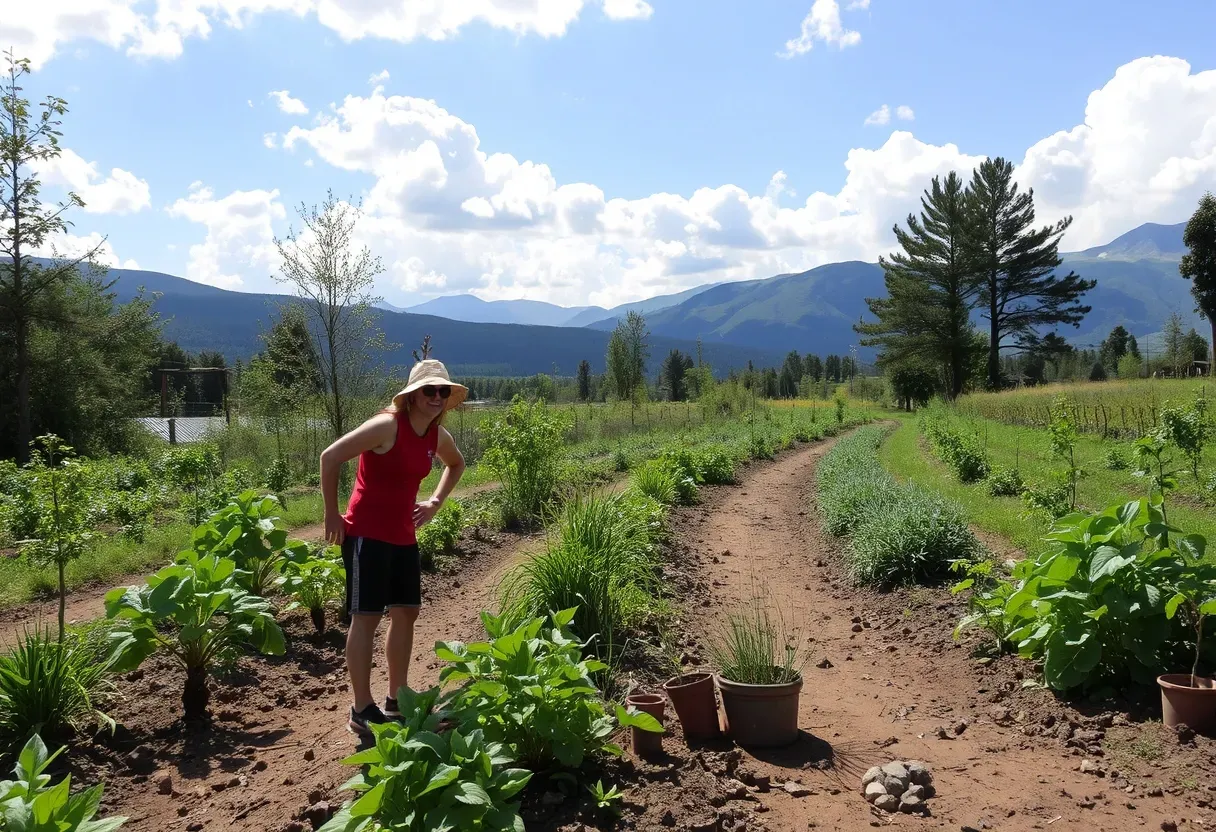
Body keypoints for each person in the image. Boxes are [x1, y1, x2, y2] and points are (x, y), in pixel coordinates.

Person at [320, 359, 467, 736]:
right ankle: (361, 708)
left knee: (406, 612)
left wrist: (434, 502)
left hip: (403, 534)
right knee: (365, 617)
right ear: (412, 396)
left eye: (443, 391)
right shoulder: (387, 425)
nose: (437, 397)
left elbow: (457, 464)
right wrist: (332, 515)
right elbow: (330, 456)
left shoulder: (436, 437)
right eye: (429, 390)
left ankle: (397, 699)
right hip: (366, 534)